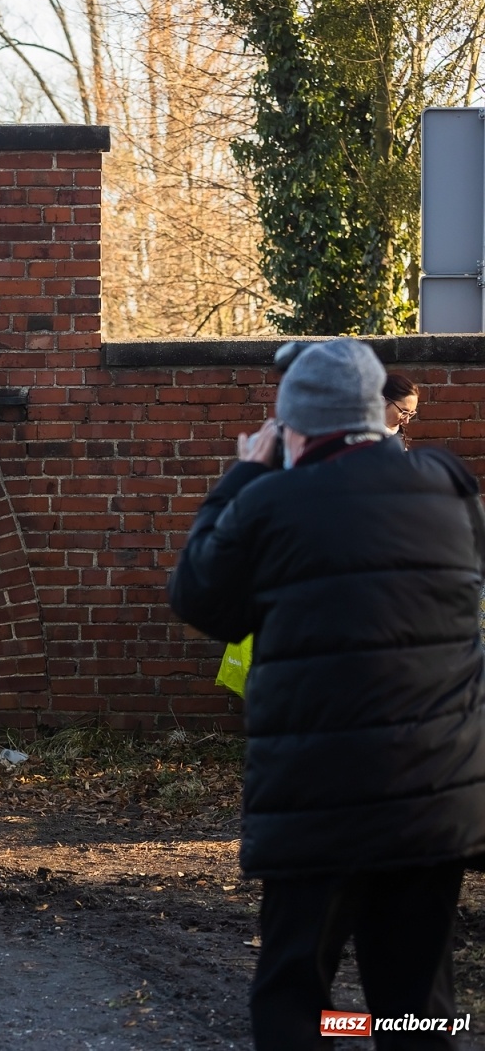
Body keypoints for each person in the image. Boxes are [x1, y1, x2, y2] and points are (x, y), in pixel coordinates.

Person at [167, 338, 485, 1049]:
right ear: (378, 417)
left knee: (293, 997)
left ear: (296, 424)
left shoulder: (272, 503)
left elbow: (197, 594)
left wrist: (245, 473)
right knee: (418, 1006)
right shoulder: (449, 488)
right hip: (432, 800)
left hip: (318, 804)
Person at [382, 372, 419, 440]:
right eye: (404, 412)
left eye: (411, 414)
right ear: (383, 402)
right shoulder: (361, 439)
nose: (406, 421)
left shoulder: (400, 436)